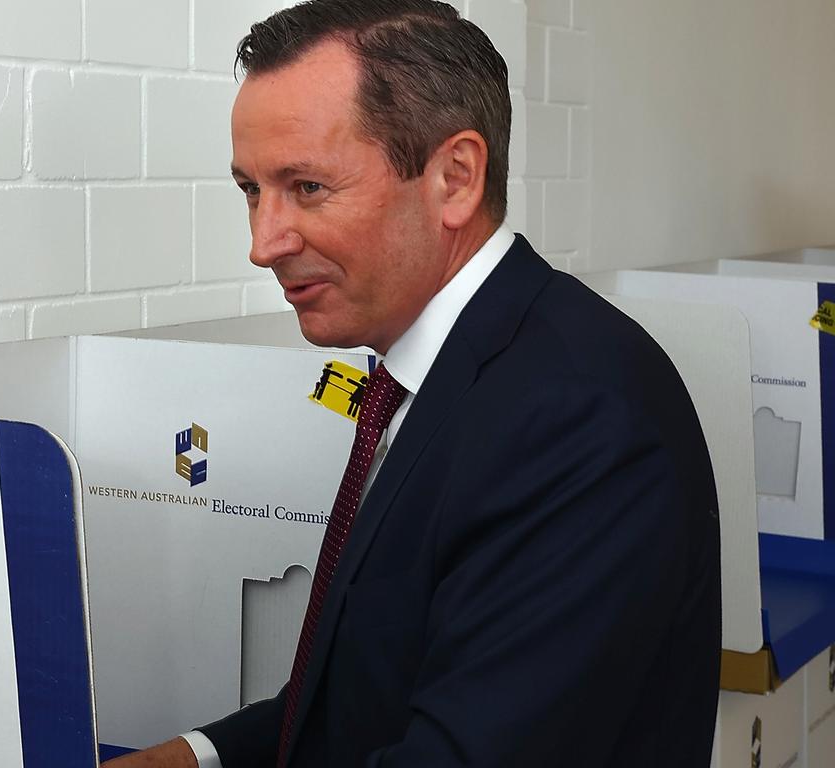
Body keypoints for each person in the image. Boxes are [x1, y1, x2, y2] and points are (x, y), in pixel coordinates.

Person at [104, 1, 721, 766]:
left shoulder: (583, 417)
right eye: (250, 190)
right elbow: (368, 697)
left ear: (454, 178)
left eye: (307, 187)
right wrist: (197, 758)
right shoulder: (427, 373)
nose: (263, 243)